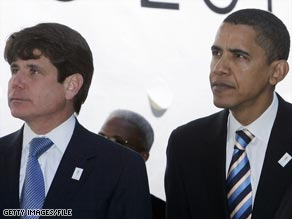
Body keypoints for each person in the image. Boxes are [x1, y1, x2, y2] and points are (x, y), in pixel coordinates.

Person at [0, 23, 152, 219]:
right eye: (14, 70)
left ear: (71, 85)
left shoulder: (120, 167)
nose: (16, 82)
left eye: (33, 71)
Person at [165, 8, 291, 219]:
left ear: (277, 72)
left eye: (239, 56)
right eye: (216, 53)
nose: (220, 68)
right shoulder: (186, 144)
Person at [99, 109, 166, 219]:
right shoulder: (71, 190)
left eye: (118, 142)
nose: (104, 146)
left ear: (142, 156)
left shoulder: (160, 212)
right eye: (101, 137)